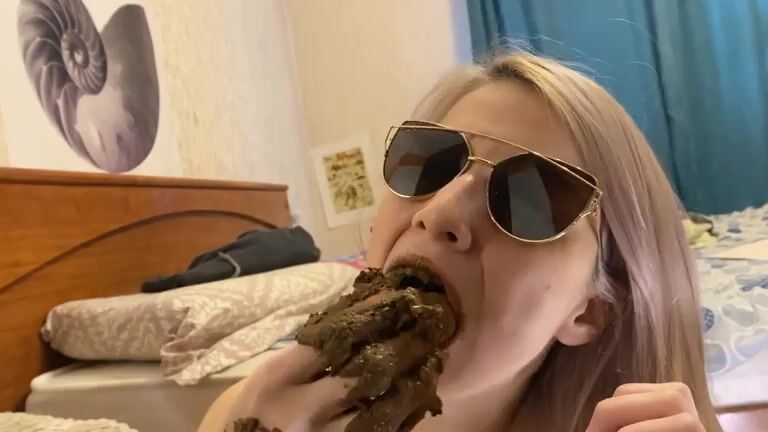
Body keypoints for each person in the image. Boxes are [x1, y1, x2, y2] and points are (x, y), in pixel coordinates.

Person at [198, 51, 720, 432]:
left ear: (591, 311)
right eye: (429, 163)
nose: (439, 212)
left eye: (529, 198)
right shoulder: (250, 413)